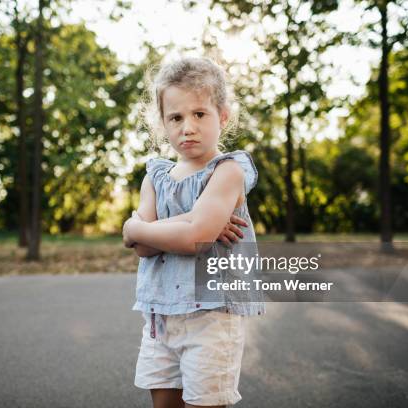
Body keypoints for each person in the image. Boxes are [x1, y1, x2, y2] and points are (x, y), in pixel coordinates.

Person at [122, 56, 266, 408]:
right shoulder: (155, 176)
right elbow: (142, 249)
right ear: (163, 124)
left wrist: (136, 226)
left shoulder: (229, 170)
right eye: (176, 117)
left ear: (223, 116)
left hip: (212, 316)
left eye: (199, 114)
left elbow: (193, 240)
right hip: (161, 318)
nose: (188, 127)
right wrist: (182, 222)